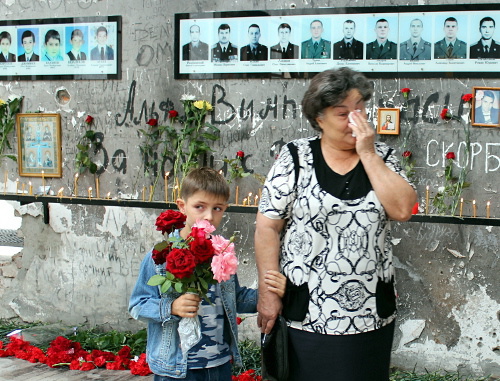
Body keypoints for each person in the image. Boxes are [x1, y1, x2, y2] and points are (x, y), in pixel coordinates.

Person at [255, 67, 417, 381]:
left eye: (360, 109)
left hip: (369, 313)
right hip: (306, 312)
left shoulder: (384, 157)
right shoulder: (295, 158)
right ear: (319, 118)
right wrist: (268, 291)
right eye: (343, 113)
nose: (355, 120)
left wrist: (368, 152)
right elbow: (267, 227)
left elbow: (403, 209)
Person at [129, 167, 286, 380]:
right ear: (182, 206)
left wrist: (271, 292)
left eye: (218, 208)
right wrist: (171, 307)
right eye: (199, 206)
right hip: (177, 369)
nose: (209, 216)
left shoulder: (222, 253)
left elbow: (236, 299)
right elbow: (138, 305)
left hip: (218, 364)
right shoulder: (161, 256)